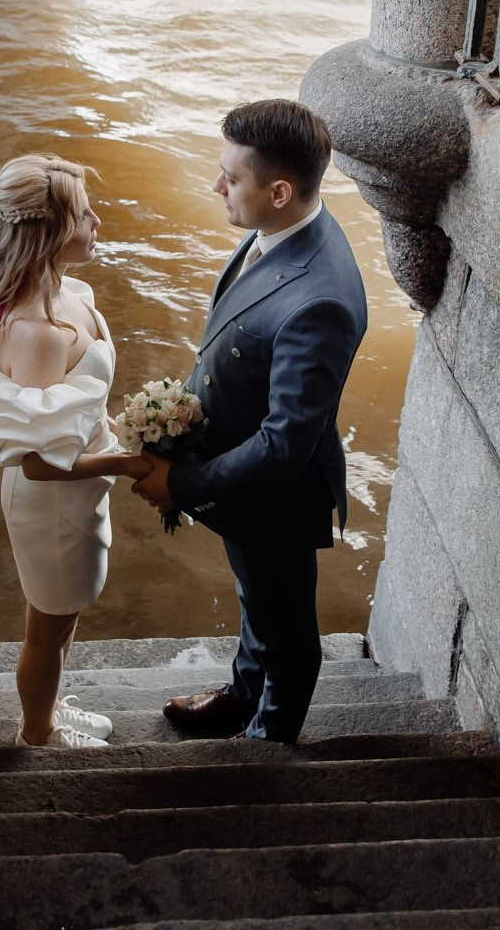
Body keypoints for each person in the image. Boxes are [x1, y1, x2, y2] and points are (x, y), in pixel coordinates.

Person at [131, 100, 368, 744]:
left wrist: (181, 484)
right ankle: (241, 697)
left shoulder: (319, 302)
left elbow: (284, 444)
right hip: (241, 477)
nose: (217, 185)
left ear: (280, 192)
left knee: (285, 627)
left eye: (231, 178)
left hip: (274, 497)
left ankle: (268, 743)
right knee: (256, 598)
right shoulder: (288, 229)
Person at [0, 154, 152, 748]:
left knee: (63, 615)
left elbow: (75, 407)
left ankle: (47, 706)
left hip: (80, 489)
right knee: (46, 629)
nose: (97, 222)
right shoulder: (39, 332)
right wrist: (128, 463)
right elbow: (38, 462)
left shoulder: (70, 291)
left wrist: (128, 428)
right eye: (83, 215)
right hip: (52, 506)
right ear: (48, 233)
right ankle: (37, 733)